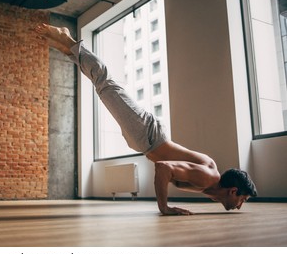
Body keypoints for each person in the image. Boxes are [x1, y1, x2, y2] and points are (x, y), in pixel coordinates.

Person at [35, 23, 257, 215]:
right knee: (105, 83)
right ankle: (69, 41)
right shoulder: (208, 178)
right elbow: (163, 167)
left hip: (145, 140)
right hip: (148, 136)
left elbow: (169, 168)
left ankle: (69, 48)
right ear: (233, 191)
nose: (239, 205)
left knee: (102, 86)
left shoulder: (210, 187)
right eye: (243, 200)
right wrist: (165, 207)